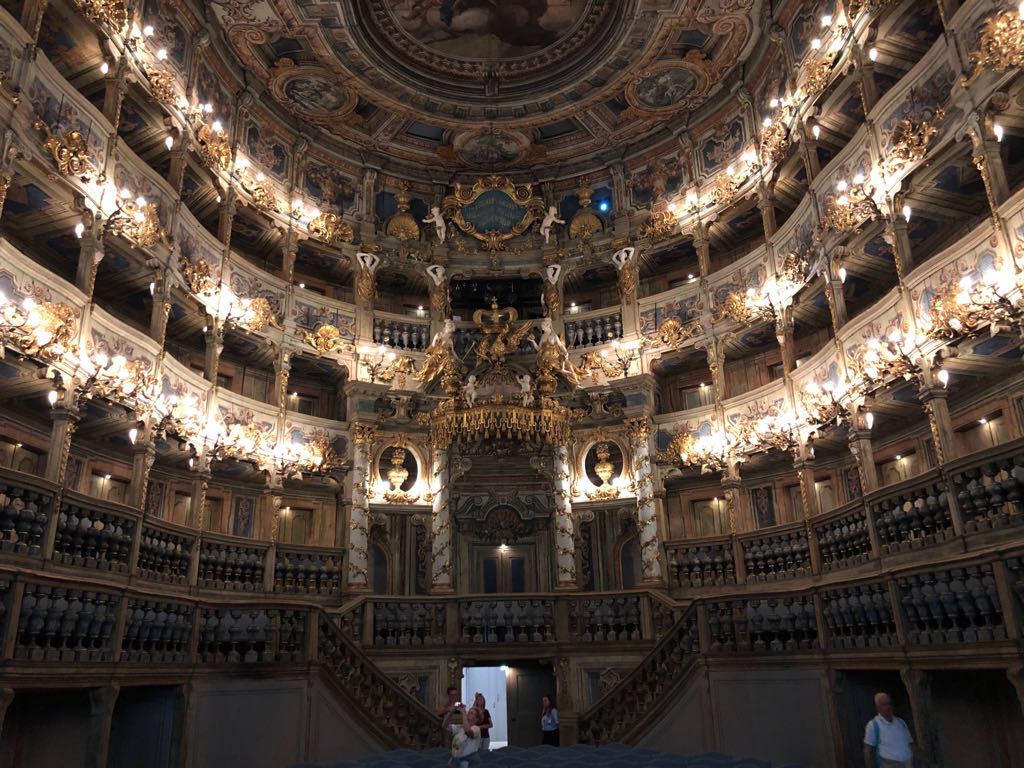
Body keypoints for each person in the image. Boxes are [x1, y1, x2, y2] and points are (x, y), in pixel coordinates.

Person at [863, 692, 914, 768]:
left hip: (908, 763)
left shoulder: (901, 722)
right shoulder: (873, 725)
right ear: (878, 707)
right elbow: (867, 750)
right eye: (884, 704)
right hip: (889, 764)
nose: (888, 707)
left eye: (889, 704)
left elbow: (910, 743)